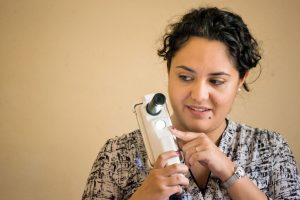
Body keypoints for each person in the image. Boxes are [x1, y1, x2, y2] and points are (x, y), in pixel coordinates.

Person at [82, 7, 300, 200]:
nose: (199, 95)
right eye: (185, 77)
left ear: (241, 80)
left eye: (216, 81)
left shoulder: (271, 149)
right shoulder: (117, 153)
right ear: (169, 72)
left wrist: (228, 171)